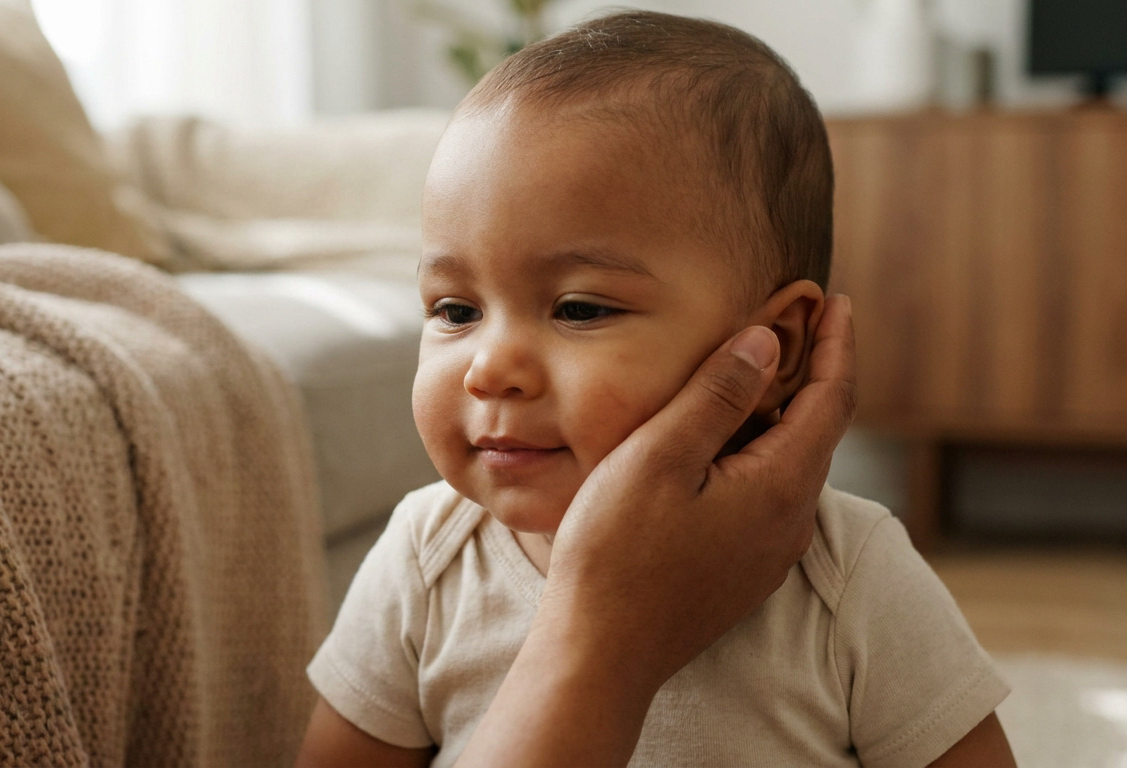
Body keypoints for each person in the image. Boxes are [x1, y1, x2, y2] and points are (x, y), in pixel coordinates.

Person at [298, 11, 1015, 767]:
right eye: (456, 310)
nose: (486, 368)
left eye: (579, 308)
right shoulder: (427, 555)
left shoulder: (847, 573)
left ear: (778, 348)